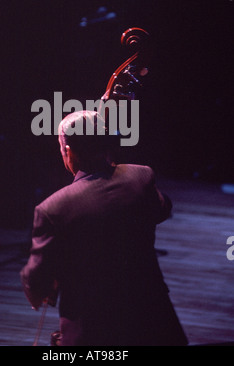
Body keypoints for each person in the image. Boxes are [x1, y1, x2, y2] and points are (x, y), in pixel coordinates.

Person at [20, 110, 188, 346]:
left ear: (67, 150)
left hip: (92, 332)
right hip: (151, 319)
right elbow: (162, 209)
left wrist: (37, 289)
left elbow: (37, 279)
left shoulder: (52, 209)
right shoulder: (141, 177)